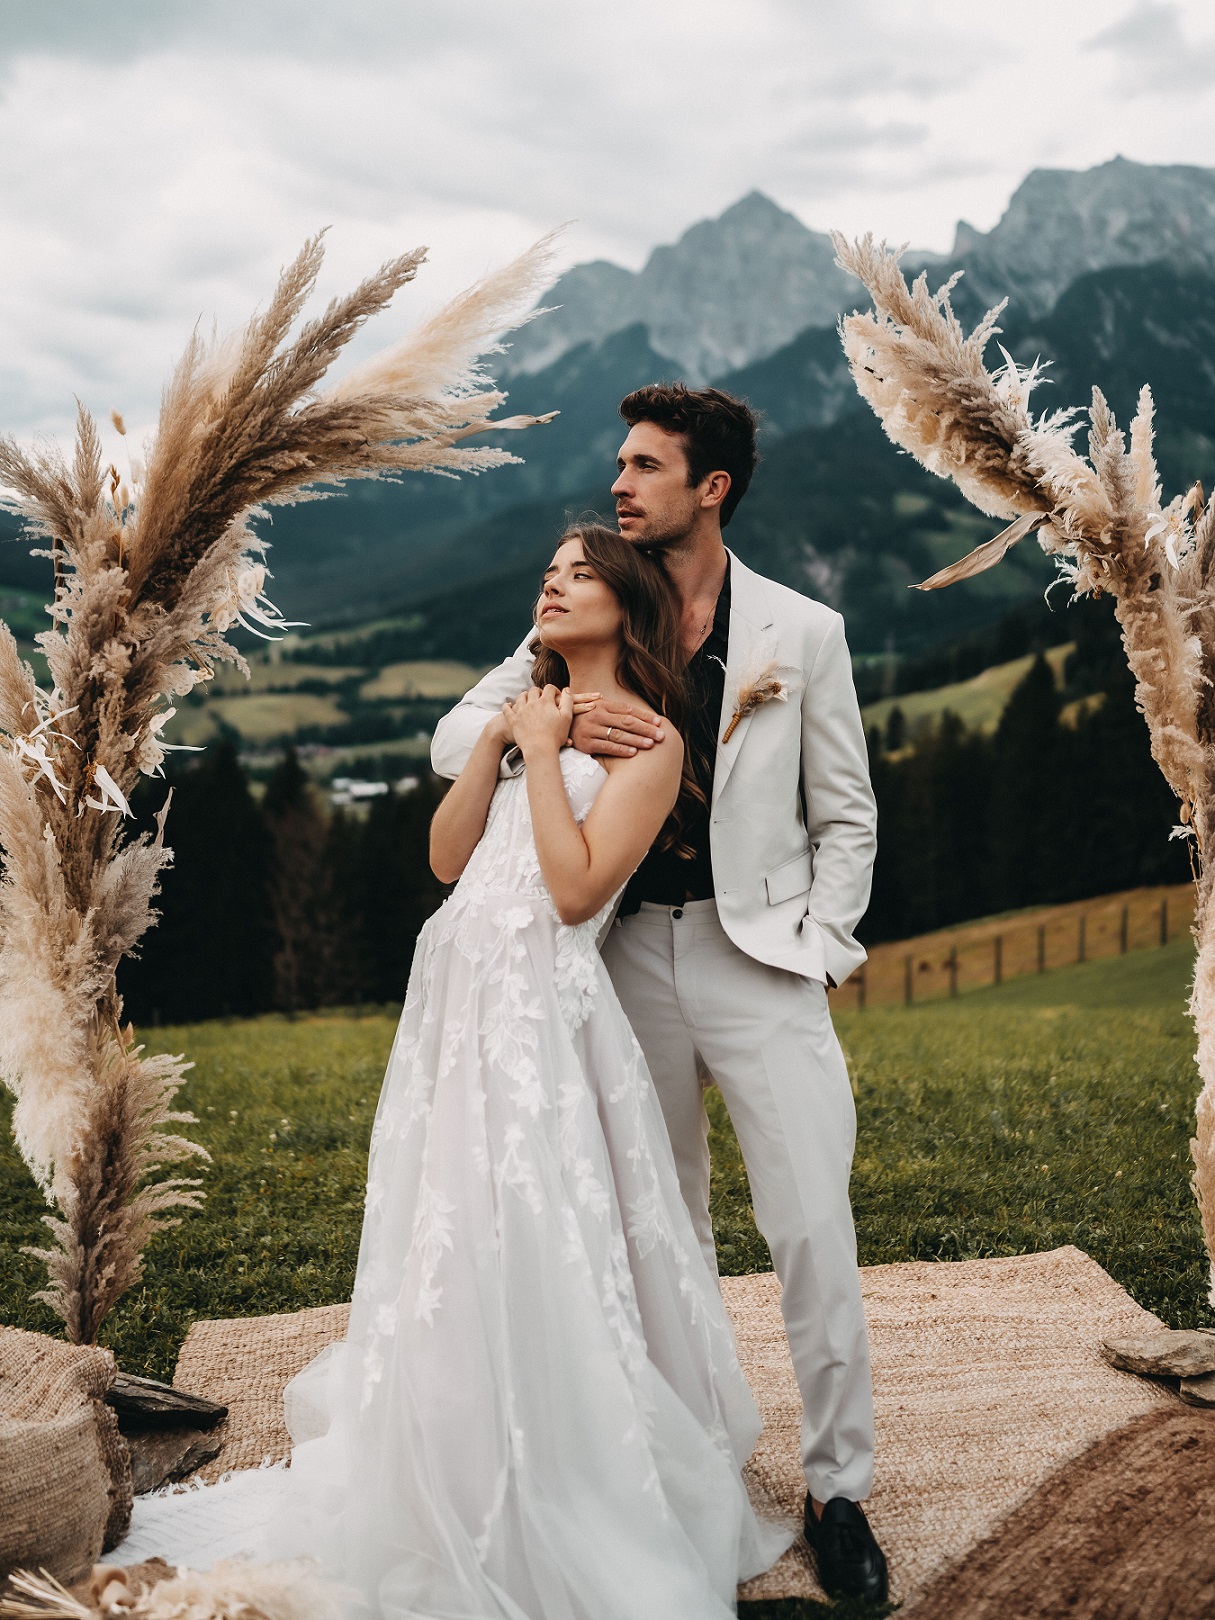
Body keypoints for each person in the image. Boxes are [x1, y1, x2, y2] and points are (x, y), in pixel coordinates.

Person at [112, 524, 791, 1616]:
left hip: (543, 1005)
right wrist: (505, 743)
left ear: (625, 600)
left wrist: (547, 746)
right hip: (461, 990)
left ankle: (558, 1460)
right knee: (449, 1215)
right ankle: (451, 1434)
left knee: (533, 1219)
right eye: (549, 575)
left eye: (579, 574)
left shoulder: (651, 744)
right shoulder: (523, 714)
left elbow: (573, 895)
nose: (554, 587)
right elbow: (442, 858)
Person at [432, 384, 887, 1603]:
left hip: (760, 961)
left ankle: (841, 1489)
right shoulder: (591, 603)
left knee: (811, 1228)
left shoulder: (804, 632)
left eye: (644, 466)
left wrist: (819, 945)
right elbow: (451, 740)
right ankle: (691, 1470)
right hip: (620, 957)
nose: (621, 484)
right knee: (654, 1225)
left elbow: (847, 817)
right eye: (621, 464)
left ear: (711, 486)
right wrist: (562, 718)